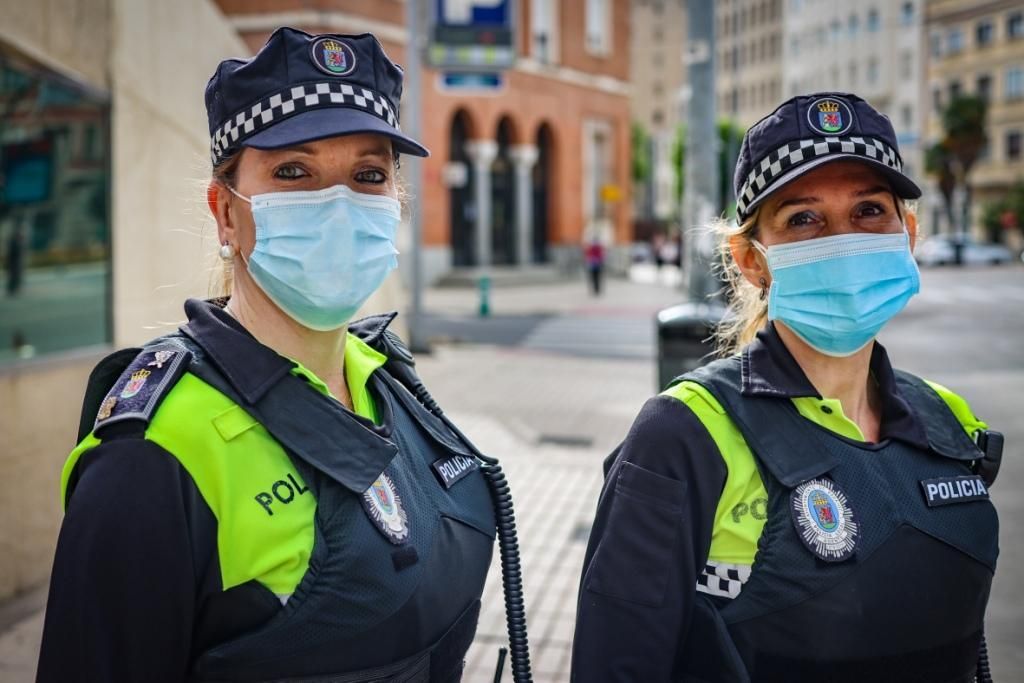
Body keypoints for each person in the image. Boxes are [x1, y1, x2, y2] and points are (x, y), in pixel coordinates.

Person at [38, 28, 501, 683]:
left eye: (369, 174)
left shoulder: (388, 382)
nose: (338, 203)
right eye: (293, 171)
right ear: (226, 213)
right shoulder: (154, 453)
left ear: (396, 200)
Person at [571, 92, 1001, 682]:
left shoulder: (948, 420)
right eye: (804, 218)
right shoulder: (683, 436)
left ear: (909, 233)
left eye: (870, 211)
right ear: (751, 260)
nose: (843, 241)